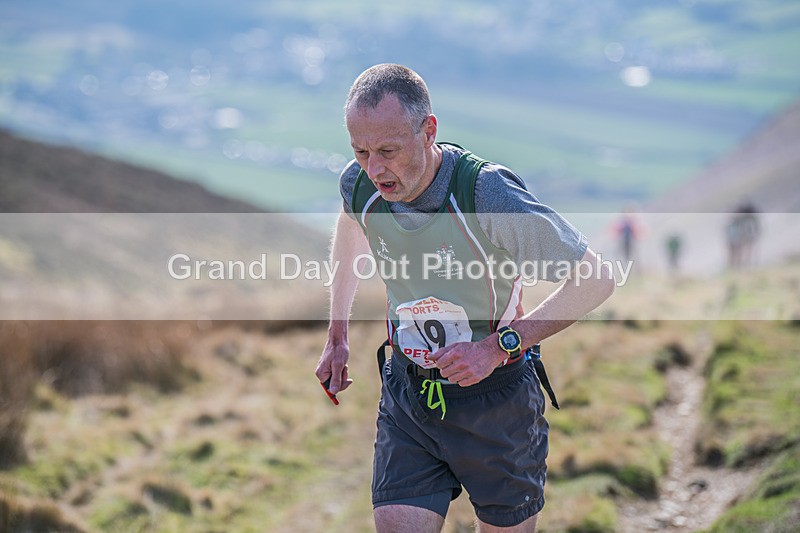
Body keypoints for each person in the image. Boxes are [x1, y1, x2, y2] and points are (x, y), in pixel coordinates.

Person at [315, 64, 615, 533]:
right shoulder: (360, 185)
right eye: (360, 150)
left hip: (497, 403)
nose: (374, 169)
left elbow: (596, 279)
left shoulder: (485, 192)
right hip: (410, 393)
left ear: (428, 130)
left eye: (388, 151)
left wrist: (496, 348)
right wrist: (337, 333)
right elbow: (352, 222)